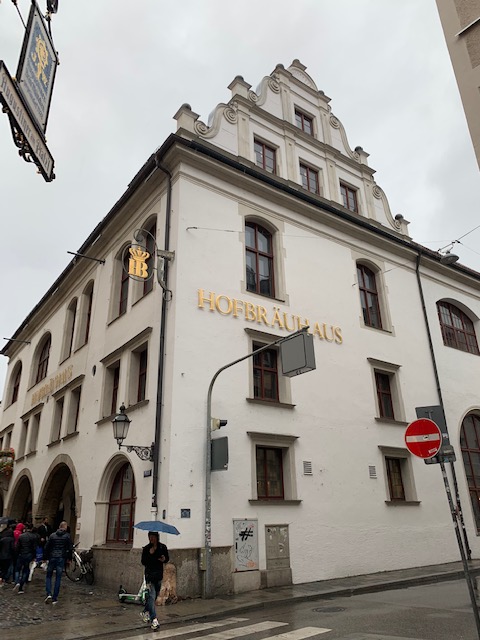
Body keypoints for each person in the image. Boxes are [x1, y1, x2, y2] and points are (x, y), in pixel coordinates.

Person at [140, 531, 169, 631]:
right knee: (152, 596)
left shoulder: (162, 547)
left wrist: (164, 559)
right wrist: (150, 554)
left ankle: (145, 611)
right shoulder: (146, 548)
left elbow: (167, 558)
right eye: (150, 537)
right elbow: (143, 561)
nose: (151, 539)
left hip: (158, 575)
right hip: (149, 576)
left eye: (153, 537)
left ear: (157, 537)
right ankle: (154, 619)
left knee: (155, 595)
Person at [44, 521, 73, 604]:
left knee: (49, 576)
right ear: (65, 527)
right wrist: (69, 558)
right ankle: (55, 597)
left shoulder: (52, 535)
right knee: (58, 577)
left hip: (52, 557)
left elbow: (47, 547)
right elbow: (70, 548)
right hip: (61, 558)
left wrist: (45, 557)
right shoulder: (67, 536)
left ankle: (49, 593)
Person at [13, 523, 39, 593]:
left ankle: (17, 582)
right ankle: (21, 587)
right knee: (26, 570)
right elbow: (34, 548)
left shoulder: (21, 536)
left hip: (21, 554)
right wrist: (34, 556)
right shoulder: (33, 537)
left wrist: (17, 554)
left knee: (17, 569)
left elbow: (17, 546)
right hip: (29, 555)